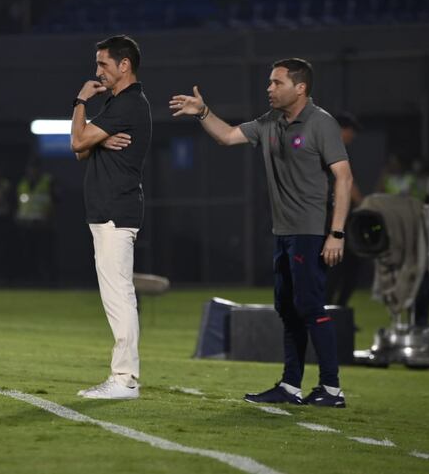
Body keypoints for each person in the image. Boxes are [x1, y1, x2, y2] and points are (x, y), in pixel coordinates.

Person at [170, 58, 353, 407]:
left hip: (311, 233)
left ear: (300, 88)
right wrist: (202, 111)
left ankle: (331, 389)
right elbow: (226, 136)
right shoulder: (269, 122)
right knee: (287, 309)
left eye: (276, 83)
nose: (269, 88)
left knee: (311, 307)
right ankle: (290, 386)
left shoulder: (321, 123)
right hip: (283, 232)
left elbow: (344, 177)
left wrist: (337, 233)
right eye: (269, 82)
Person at [70, 34, 151, 400]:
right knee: (116, 295)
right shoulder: (119, 105)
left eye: (103, 64)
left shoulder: (128, 103)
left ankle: (125, 379)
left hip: (115, 211)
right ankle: (122, 377)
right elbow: (81, 151)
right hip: (108, 211)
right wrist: (98, 139)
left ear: (124, 66)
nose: (97, 71)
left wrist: (82, 100)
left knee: (119, 296)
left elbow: (75, 141)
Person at [324, 113, 364, 308]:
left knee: (347, 266)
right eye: (351, 131)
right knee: (338, 266)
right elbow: (347, 185)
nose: (352, 136)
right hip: (329, 220)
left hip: (332, 219)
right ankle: (331, 312)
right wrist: (365, 207)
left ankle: (336, 311)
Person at [15, 157, 57, 285]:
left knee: (44, 255)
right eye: (30, 168)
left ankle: (46, 281)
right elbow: (18, 204)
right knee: (27, 255)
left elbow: (56, 201)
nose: (32, 171)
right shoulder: (22, 183)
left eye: (35, 168)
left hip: (43, 225)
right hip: (26, 224)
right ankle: (28, 280)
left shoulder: (48, 182)